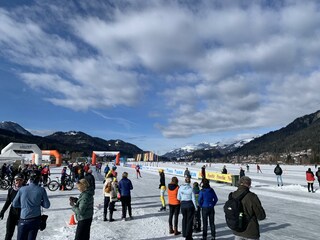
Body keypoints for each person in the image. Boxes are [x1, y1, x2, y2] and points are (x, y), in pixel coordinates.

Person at [12, 171, 50, 240]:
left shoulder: (22, 189)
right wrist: (39, 202)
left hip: (23, 219)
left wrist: (24, 205)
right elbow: (47, 205)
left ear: (30, 178)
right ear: (39, 179)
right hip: (35, 220)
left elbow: (14, 204)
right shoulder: (41, 190)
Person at [0, 174, 24, 240]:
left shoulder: (25, 190)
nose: (18, 182)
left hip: (22, 214)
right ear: (14, 180)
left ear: (23, 181)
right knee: (9, 233)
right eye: (17, 180)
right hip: (12, 213)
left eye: (20, 180)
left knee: (22, 234)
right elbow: (8, 202)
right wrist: (2, 212)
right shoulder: (11, 190)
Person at [178, 174, 197, 240]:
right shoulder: (191, 189)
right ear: (190, 182)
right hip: (190, 205)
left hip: (183, 205)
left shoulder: (180, 188)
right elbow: (193, 199)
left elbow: (178, 197)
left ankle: (184, 233)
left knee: (184, 219)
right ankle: (188, 236)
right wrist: (196, 207)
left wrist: (183, 198)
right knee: (189, 221)